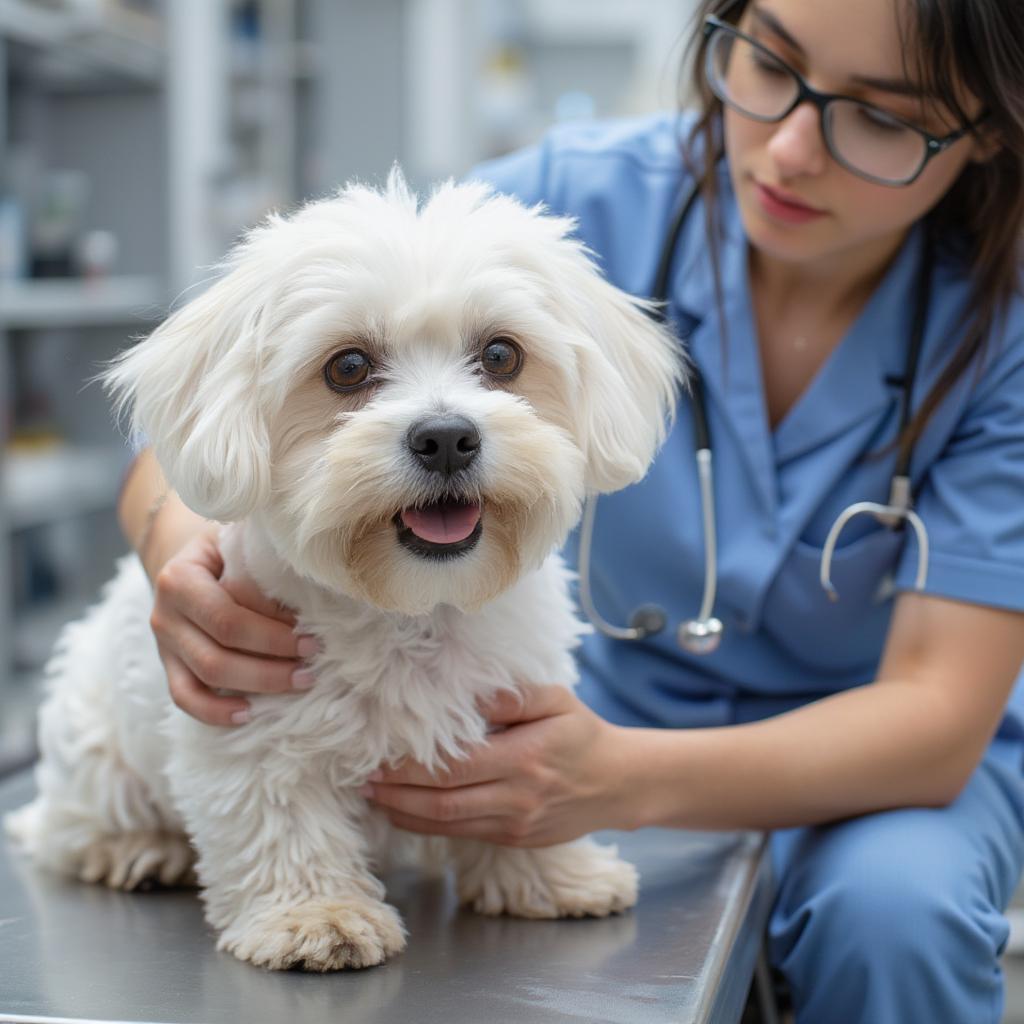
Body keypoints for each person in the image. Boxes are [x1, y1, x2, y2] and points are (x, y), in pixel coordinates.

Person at [118, 0, 1024, 1019]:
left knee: (898, 917)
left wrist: (615, 781)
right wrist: (187, 559)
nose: (790, 147)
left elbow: (938, 714)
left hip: (867, 760)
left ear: (986, 126)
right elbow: (205, 412)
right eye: (769, 63)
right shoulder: (561, 200)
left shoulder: (1005, 329)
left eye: (884, 117)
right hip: (562, 725)